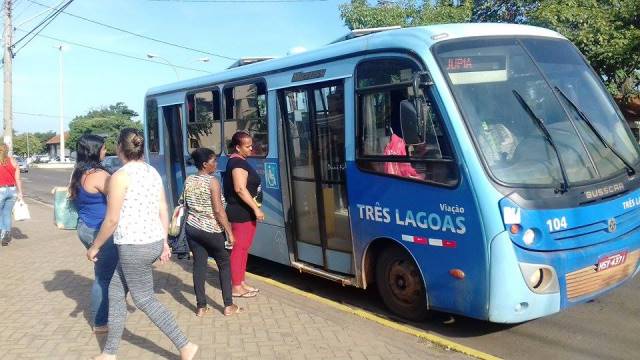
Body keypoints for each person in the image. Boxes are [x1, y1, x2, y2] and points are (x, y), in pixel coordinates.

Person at [86, 128, 198, 360]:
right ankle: (109, 353)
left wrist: (95, 246)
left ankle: (185, 345)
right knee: (116, 293)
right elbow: (163, 208)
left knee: (144, 299)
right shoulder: (151, 171)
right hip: (153, 241)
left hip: (133, 246)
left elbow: (112, 219)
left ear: (120, 147)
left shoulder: (119, 176)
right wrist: (165, 242)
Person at [68, 135, 117, 334]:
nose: (106, 151)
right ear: (94, 150)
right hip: (101, 231)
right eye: (104, 148)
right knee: (103, 278)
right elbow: (119, 197)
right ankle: (100, 322)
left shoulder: (79, 173)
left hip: (84, 228)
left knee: (104, 274)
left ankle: (108, 311)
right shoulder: (99, 175)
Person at [184, 147, 241, 316]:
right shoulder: (212, 181)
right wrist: (229, 232)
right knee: (224, 264)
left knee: (199, 265)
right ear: (204, 164)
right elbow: (218, 210)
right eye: (213, 161)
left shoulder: (189, 180)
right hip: (211, 230)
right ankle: (228, 305)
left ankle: (201, 307)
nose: (216, 163)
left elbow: (185, 204)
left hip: (192, 228)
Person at [223, 131, 264, 298]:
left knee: (244, 249)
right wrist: (255, 208)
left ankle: (241, 282)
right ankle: (236, 287)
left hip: (244, 212)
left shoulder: (240, 161)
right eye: (247, 146)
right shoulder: (237, 164)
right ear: (238, 147)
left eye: (251, 145)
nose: (251, 148)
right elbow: (240, 188)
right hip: (240, 213)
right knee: (239, 249)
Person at [0, 144, 23, 247]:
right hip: (12, 190)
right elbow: (18, 178)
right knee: (7, 214)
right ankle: (7, 234)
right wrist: (20, 192)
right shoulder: (13, 161)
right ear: (7, 150)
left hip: (1, 190)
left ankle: (3, 234)